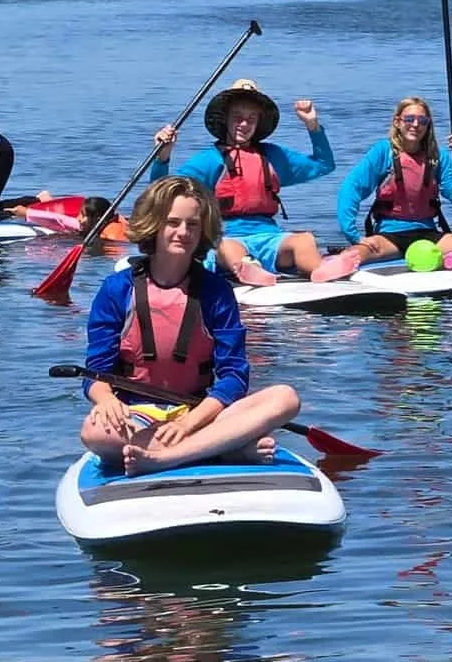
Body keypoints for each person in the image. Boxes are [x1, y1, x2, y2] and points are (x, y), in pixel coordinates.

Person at [77, 176, 302, 475]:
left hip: (199, 413)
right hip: (137, 415)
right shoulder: (117, 290)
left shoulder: (216, 292)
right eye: (173, 222)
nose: (183, 232)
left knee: (285, 397)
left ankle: (164, 457)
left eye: (192, 224)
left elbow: (234, 377)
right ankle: (222, 449)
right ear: (154, 225)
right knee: (93, 432)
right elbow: (96, 371)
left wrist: (188, 424)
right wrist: (105, 400)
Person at [154, 79, 336, 285]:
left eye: (251, 119)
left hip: (270, 238)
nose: (244, 124)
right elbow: (162, 193)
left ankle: (321, 271)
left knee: (305, 240)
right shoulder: (209, 161)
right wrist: (162, 157)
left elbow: (324, 164)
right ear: (225, 120)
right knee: (227, 247)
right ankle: (249, 270)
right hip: (227, 237)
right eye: (237, 118)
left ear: (258, 123)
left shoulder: (273, 156)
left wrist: (312, 124)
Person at [323, 95, 452, 276]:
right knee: (349, 258)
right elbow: (350, 190)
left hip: (430, 236)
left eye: (422, 121)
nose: (415, 125)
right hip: (389, 237)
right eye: (409, 119)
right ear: (398, 122)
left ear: (428, 125)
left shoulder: (438, 156)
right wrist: (354, 236)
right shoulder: (384, 152)